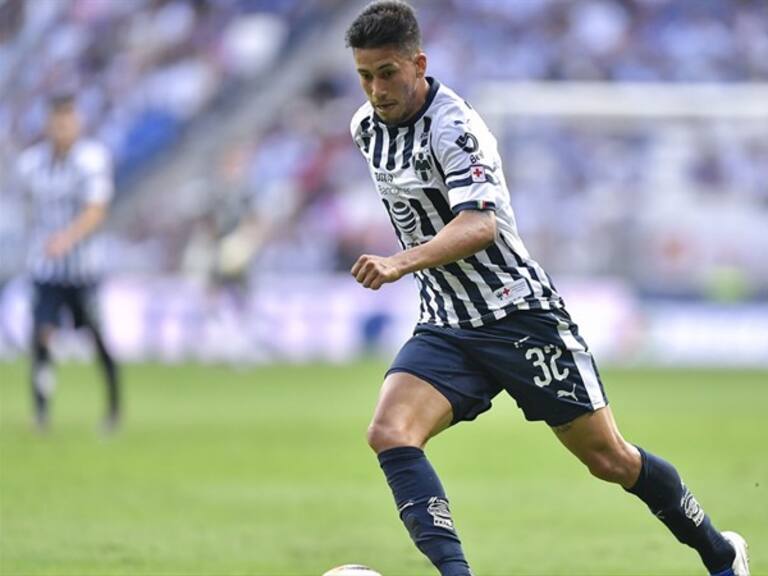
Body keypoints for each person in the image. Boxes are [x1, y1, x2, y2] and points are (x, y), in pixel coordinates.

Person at [345, 2, 749, 575]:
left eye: (387, 73)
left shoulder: (455, 128)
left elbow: (480, 224)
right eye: (364, 76)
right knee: (389, 432)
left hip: (519, 316)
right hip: (448, 321)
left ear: (418, 63)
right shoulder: (365, 128)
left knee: (610, 459)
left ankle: (720, 553)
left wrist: (399, 263)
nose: (376, 89)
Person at [16, 93, 121, 433]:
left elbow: (96, 210)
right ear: (48, 124)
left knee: (97, 336)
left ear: (77, 123)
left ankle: (113, 407)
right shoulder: (31, 164)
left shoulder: (91, 160)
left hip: (83, 269)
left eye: (68, 121)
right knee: (41, 335)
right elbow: (28, 211)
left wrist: (67, 238)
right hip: (46, 269)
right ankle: (42, 413)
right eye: (56, 122)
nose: (62, 128)